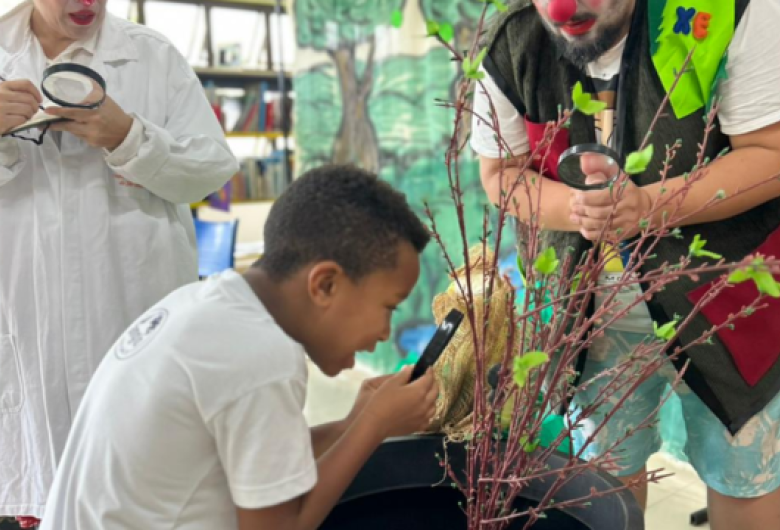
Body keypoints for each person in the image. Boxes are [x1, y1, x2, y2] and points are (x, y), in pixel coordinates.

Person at [472, 1, 780, 529]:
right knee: (600, 494)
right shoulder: (514, 38)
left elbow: (771, 153)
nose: (561, 8)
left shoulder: (731, 11)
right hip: (585, 321)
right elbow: (501, 173)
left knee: (745, 485)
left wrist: (647, 207)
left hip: (727, 308)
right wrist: (580, 209)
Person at [38, 164, 438, 530]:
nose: (386, 332)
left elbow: (257, 459)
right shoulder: (260, 355)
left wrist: (350, 423)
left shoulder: (205, 306)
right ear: (325, 285)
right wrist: (374, 426)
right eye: (389, 306)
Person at [0, 0, 239, 522]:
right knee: (45, 490)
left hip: (131, 312)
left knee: (147, 496)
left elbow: (211, 168)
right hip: (25, 325)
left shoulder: (151, 57)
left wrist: (128, 135)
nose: (87, 4)